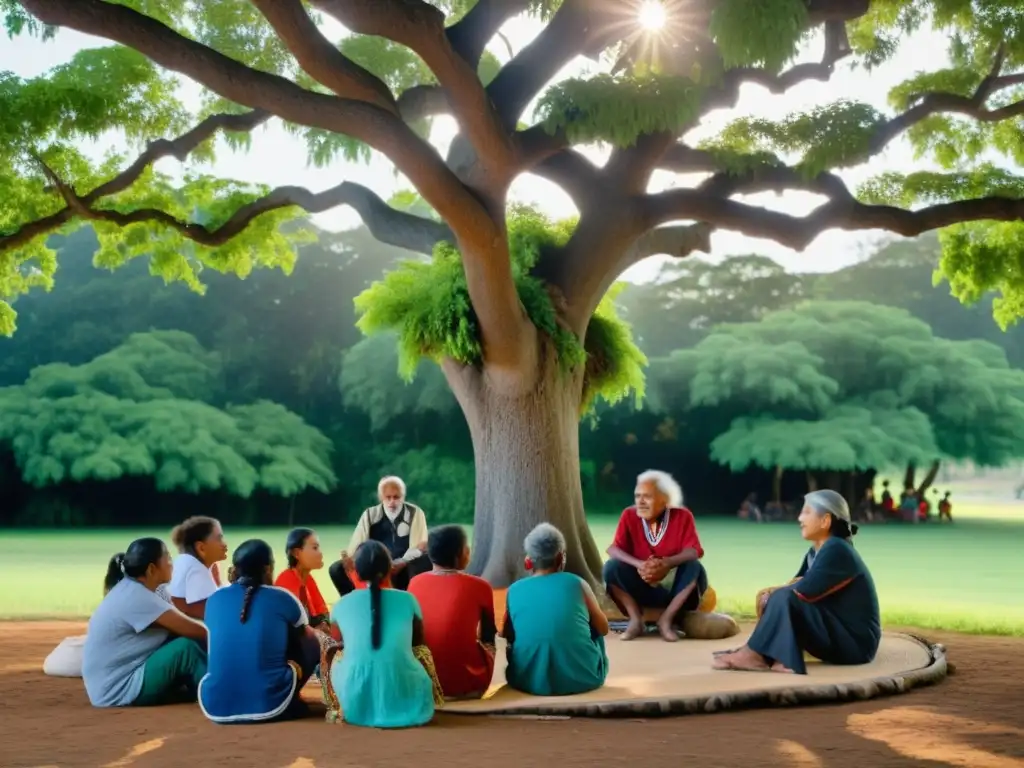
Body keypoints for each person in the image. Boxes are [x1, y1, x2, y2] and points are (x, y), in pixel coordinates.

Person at [712, 489, 881, 674]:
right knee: (779, 597)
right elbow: (796, 586)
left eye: (807, 512)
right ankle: (767, 655)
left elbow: (803, 591)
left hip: (857, 643)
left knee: (782, 597)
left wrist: (774, 595)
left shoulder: (837, 548)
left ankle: (754, 656)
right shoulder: (815, 552)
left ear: (825, 521)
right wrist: (772, 596)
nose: (800, 518)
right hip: (839, 631)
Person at [198, 539, 321, 723]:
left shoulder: (214, 600)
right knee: (312, 639)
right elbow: (306, 637)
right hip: (270, 703)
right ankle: (290, 697)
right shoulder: (282, 597)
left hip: (216, 704)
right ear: (268, 569)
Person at [322, 540, 442, 728]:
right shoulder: (408, 599)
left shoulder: (341, 605)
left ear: (357, 573)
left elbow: (339, 644)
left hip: (353, 702)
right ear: (390, 569)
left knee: (332, 653)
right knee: (421, 653)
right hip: (410, 694)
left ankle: (337, 704)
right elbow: (419, 644)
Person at [82, 538, 208, 707]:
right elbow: (198, 632)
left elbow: (181, 621)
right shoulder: (136, 596)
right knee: (185, 649)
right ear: (151, 569)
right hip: (117, 688)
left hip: (116, 680)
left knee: (177, 639)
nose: (172, 564)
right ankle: (222, 692)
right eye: (168, 559)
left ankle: (205, 685)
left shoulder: (141, 589)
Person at [502, 523, 609, 696]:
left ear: (528, 560)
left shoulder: (514, 589)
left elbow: (507, 633)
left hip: (527, 680)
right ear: (560, 558)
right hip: (584, 678)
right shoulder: (577, 583)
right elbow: (603, 629)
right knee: (593, 627)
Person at [603, 469, 711, 641]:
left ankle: (666, 620)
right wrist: (640, 565)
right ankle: (636, 620)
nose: (641, 502)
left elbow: (694, 550)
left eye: (647, 496)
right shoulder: (629, 515)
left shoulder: (682, 516)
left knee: (694, 567)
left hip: (676, 592)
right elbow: (613, 549)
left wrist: (667, 563)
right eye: (637, 496)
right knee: (611, 567)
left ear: (665, 499)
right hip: (641, 587)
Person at [408, 524, 496, 699]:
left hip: (423, 681)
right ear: (458, 555)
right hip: (468, 684)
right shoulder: (480, 586)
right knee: (491, 645)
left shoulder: (415, 583)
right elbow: (488, 635)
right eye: (466, 547)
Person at [328, 476, 430, 597]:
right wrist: (353, 559)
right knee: (337, 569)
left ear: (403, 496)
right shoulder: (370, 514)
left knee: (424, 560)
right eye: (388, 497)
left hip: (405, 564)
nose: (392, 501)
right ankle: (354, 601)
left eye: (396, 497)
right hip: (376, 563)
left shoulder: (415, 513)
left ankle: (414, 602)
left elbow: (419, 546)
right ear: (381, 497)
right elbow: (358, 542)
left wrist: (401, 562)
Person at [168, 516, 228, 619]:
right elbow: (212, 614)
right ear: (201, 548)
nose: (225, 544)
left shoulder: (184, 561)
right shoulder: (196, 568)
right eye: (219, 538)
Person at [274, 528, 332, 633]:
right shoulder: (286, 581)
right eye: (315, 548)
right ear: (296, 553)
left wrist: (324, 623)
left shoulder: (308, 579)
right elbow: (295, 628)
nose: (321, 553)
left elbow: (322, 611)